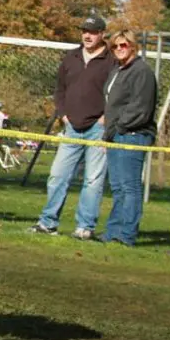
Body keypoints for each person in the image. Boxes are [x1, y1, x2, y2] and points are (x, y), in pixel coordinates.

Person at [30, 16, 116, 240]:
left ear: (102, 34)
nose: (88, 36)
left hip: (98, 128)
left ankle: (84, 227)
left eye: (93, 31)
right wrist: (63, 114)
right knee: (58, 176)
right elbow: (60, 89)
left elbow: (116, 93)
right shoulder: (71, 57)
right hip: (71, 127)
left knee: (93, 181)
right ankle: (48, 222)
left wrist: (105, 119)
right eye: (84, 31)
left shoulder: (111, 60)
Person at [99, 30, 157, 246]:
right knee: (117, 186)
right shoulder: (117, 70)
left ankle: (126, 234)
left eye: (123, 45)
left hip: (132, 135)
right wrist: (110, 131)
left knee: (129, 186)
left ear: (133, 46)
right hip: (115, 135)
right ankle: (113, 231)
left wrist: (119, 126)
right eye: (115, 46)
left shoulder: (142, 71)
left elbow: (140, 108)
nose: (119, 50)